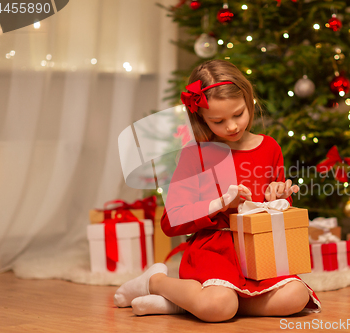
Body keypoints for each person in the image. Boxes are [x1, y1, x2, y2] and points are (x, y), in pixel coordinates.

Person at [114, 59, 321, 322]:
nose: (232, 126)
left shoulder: (269, 147)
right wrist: (219, 205)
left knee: (297, 295)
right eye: (218, 120)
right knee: (220, 305)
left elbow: (275, 210)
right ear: (200, 117)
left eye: (238, 114)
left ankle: (192, 302)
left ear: (249, 99)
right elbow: (170, 221)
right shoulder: (196, 154)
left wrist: (278, 198)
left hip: (257, 250)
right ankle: (155, 282)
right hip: (213, 249)